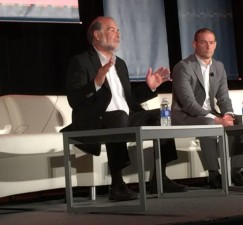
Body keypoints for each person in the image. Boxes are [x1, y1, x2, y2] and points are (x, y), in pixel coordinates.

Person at [65, 16, 188, 201]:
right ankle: (117, 184)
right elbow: (74, 100)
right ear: (97, 35)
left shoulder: (120, 64)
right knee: (119, 116)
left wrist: (150, 87)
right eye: (112, 30)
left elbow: (127, 100)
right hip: (96, 119)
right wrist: (96, 83)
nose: (118, 34)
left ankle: (159, 177)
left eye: (118, 31)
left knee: (162, 115)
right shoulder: (81, 61)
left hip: (125, 116)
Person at [171, 28, 243, 189]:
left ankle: (236, 171)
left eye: (211, 43)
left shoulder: (219, 67)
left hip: (210, 113)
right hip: (185, 115)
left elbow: (223, 98)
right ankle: (214, 174)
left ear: (215, 45)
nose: (208, 46)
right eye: (203, 42)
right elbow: (188, 103)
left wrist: (227, 115)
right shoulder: (183, 67)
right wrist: (216, 119)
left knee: (241, 120)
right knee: (207, 122)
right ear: (194, 44)